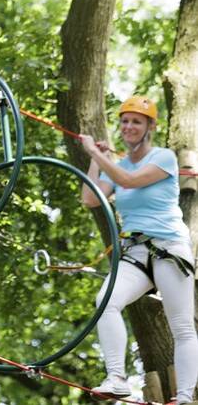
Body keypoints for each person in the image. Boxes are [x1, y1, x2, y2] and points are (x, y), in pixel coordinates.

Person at [80, 96, 198, 404]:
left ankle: (185, 396)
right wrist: (96, 159)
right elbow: (91, 199)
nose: (129, 126)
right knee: (105, 301)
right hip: (136, 252)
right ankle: (117, 378)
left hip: (169, 248)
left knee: (182, 326)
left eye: (136, 121)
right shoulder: (115, 165)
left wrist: (95, 152)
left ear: (149, 127)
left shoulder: (163, 157)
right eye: (125, 121)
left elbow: (129, 180)